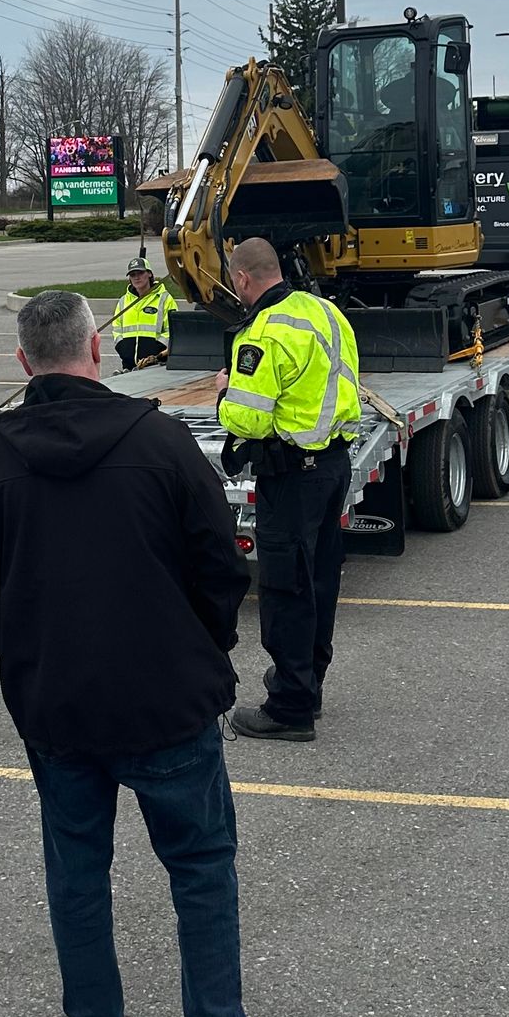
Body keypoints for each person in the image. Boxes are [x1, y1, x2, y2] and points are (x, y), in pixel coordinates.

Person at [0, 288, 267, 1017]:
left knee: (77, 871)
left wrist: (35, 655)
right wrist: (199, 650)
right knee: (200, 867)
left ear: (25, 364)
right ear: (97, 352)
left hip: (58, 707)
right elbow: (222, 566)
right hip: (167, 703)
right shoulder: (161, 442)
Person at [214, 235, 362, 744]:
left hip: (292, 475)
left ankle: (290, 707)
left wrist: (224, 391)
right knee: (319, 581)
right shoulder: (326, 312)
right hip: (333, 464)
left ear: (242, 279)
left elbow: (248, 421)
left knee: (285, 588)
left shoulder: (263, 333)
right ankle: (310, 686)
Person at [108, 257, 177, 370]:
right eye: (133, 275)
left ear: (149, 274)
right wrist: (123, 349)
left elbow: (172, 330)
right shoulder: (123, 301)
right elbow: (116, 329)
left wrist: (156, 352)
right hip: (129, 365)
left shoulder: (164, 299)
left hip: (156, 364)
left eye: (140, 273)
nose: (137, 277)